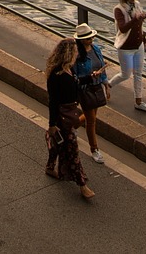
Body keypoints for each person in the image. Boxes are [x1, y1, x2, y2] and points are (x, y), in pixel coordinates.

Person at [43, 37, 95, 200]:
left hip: (69, 113)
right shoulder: (56, 75)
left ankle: (50, 166)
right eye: (75, 52)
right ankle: (82, 184)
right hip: (62, 116)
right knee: (72, 150)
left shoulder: (68, 70)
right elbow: (53, 102)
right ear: (68, 54)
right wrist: (52, 124)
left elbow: (75, 83)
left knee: (59, 144)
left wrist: (90, 77)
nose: (77, 55)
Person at [70, 22, 112, 162]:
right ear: (81, 40)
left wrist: (105, 84)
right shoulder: (76, 55)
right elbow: (74, 76)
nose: (91, 40)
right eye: (88, 38)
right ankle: (94, 149)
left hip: (97, 86)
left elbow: (102, 65)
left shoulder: (96, 49)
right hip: (84, 89)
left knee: (91, 116)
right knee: (92, 120)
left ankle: (72, 126)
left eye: (91, 37)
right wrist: (89, 77)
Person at [112, 0, 146, 113]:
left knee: (138, 74)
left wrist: (145, 41)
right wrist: (135, 19)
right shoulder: (119, 9)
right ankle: (107, 85)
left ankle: (138, 101)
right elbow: (123, 28)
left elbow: (139, 27)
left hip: (138, 46)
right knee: (125, 75)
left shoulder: (137, 5)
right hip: (126, 47)